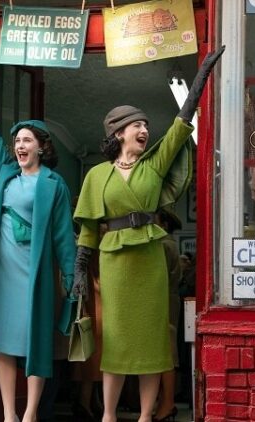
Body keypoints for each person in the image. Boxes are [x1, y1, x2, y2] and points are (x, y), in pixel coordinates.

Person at [72, 46, 225, 422]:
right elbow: (89, 229)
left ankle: (145, 416)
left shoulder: (153, 165)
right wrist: (78, 272)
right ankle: (109, 415)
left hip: (150, 262)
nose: (144, 130)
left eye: (145, 126)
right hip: (114, 264)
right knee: (116, 342)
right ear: (118, 133)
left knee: (153, 344)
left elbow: (179, 126)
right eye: (136, 126)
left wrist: (201, 78)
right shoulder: (96, 175)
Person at [0, 80, 77, 422]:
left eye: (27, 140)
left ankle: (30, 413)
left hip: (34, 272)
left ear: (41, 147)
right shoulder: (5, 173)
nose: (20, 145)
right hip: (3, 271)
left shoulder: (54, 184)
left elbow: (63, 235)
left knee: (35, 340)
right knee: (4, 341)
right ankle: (10, 414)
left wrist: (72, 277)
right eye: (18, 141)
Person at [153, 208, 183, 421]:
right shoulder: (170, 243)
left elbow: (157, 276)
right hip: (169, 300)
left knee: (166, 353)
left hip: (162, 301)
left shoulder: (163, 245)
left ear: (163, 224)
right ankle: (165, 402)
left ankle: (167, 402)